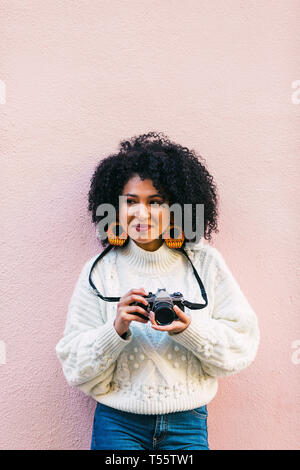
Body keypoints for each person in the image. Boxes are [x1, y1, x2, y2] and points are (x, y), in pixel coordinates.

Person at [55, 132, 260, 450]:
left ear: (177, 207)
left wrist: (189, 329)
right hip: (118, 423)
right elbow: (74, 366)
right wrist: (116, 328)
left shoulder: (204, 263)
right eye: (131, 201)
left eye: (156, 202)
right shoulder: (100, 271)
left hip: (187, 423)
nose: (142, 214)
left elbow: (242, 346)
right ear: (115, 206)